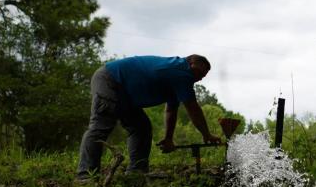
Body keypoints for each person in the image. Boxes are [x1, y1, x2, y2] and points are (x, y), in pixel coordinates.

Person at [76, 54, 220, 179]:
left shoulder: (177, 80)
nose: (200, 78)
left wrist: (169, 138)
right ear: (191, 63)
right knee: (101, 125)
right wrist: (206, 135)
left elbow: (171, 110)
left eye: (204, 76)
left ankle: (136, 172)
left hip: (126, 93)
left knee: (141, 128)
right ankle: (86, 175)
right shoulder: (181, 71)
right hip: (110, 79)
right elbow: (193, 108)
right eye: (201, 73)